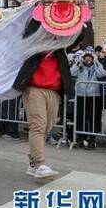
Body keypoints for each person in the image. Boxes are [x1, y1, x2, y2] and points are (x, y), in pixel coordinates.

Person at [11, 24, 76, 179]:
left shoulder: (61, 47)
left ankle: (33, 163)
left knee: (47, 126)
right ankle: (40, 163)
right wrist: (42, 8)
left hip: (53, 91)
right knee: (38, 125)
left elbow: (77, 35)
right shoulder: (34, 44)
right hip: (34, 88)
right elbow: (29, 30)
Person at [70, 50, 106, 150]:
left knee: (93, 118)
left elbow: (102, 74)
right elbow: (72, 73)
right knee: (80, 117)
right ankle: (80, 138)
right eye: (86, 56)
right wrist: (79, 62)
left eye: (90, 56)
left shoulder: (96, 66)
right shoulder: (80, 66)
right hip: (81, 95)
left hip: (93, 96)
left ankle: (92, 140)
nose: (88, 58)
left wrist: (96, 62)